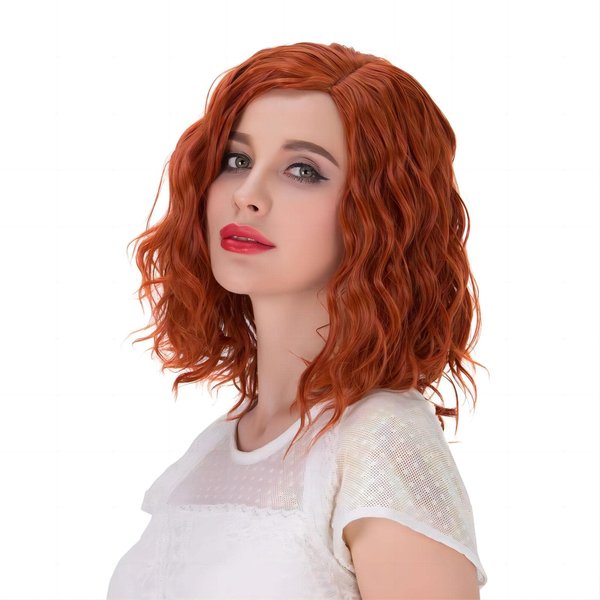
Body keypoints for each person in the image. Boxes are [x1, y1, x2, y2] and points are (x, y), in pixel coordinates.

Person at [106, 41, 488, 599]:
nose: (248, 195)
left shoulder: (379, 443)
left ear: (382, 211)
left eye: (303, 170)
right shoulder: (209, 454)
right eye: (237, 160)